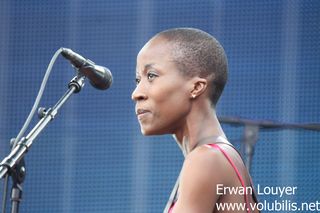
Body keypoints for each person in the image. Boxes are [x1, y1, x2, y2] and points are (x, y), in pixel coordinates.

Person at [131, 28, 259, 213]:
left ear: (196, 87)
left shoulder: (207, 159)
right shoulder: (213, 156)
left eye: (151, 76)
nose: (136, 93)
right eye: (137, 79)